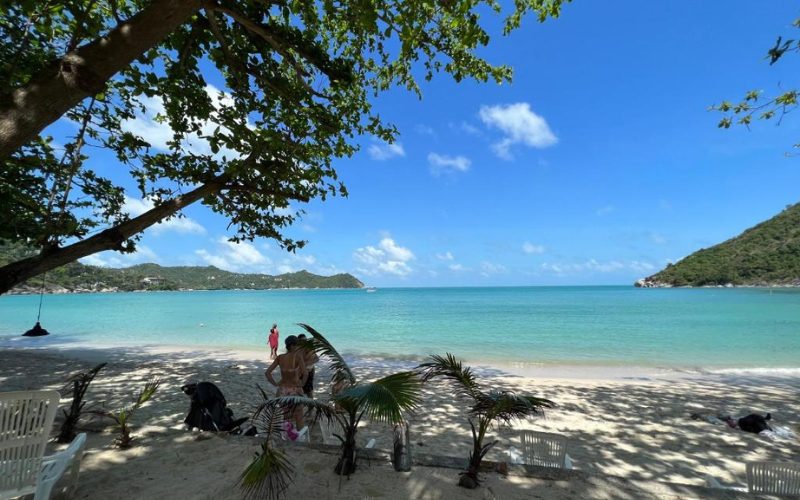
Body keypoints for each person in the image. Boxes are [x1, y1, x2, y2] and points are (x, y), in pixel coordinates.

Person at [264, 335, 307, 435]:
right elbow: (305, 373)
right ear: (292, 346)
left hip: (282, 389)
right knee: (299, 415)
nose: (298, 348)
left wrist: (275, 383)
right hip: (294, 389)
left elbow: (267, 373)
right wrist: (302, 384)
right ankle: (300, 438)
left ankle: (290, 436)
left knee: (286, 416)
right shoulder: (297, 357)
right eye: (297, 345)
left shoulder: (280, 357)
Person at [297, 334, 320, 398]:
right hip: (301, 371)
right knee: (299, 388)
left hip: (310, 370)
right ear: (298, 341)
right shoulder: (297, 349)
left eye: (305, 340)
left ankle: (311, 405)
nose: (304, 342)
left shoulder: (310, 348)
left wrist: (306, 363)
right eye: (302, 340)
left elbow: (317, 359)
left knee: (309, 390)